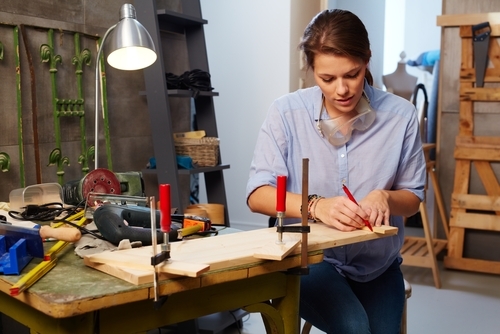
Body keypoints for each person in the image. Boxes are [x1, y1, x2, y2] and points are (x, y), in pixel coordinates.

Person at [246, 9, 426, 334]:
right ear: (311, 70)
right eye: (327, 79)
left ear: (367, 60)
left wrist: (385, 197)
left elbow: (412, 199)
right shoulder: (286, 114)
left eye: (352, 74)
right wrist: (317, 206)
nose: (342, 89)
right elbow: (258, 195)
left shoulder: (401, 116)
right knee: (355, 327)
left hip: (377, 266)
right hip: (310, 260)